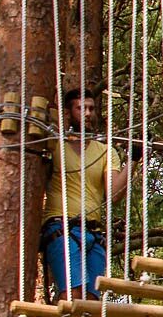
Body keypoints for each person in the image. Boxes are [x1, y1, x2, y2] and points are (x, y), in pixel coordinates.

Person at [42, 89, 135, 301]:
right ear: (68, 113)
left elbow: (113, 194)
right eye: (81, 108)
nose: (87, 113)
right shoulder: (55, 146)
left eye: (91, 108)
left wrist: (134, 159)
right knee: (72, 295)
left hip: (94, 233)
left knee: (92, 301)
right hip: (62, 228)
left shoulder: (105, 151)